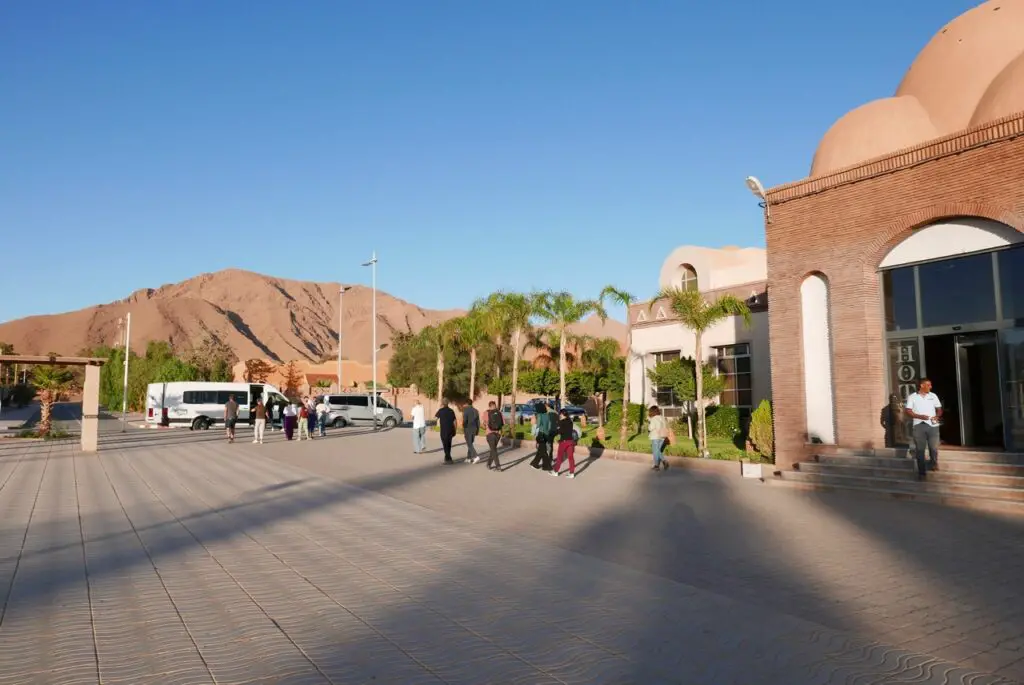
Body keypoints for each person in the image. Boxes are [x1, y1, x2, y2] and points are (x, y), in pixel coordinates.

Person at [905, 378, 943, 479]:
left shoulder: (933, 396)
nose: (930, 387)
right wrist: (919, 416)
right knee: (920, 450)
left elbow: (939, 409)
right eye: (928, 385)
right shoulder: (912, 397)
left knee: (933, 448)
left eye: (930, 385)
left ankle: (934, 463)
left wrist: (937, 416)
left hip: (933, 425)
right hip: (919, 425)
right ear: (922, 385)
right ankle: (922, 473)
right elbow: (908, 411)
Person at [552, 409, 577, 478]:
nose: (559, 415)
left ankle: (555, 471)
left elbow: (560, 431)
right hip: (571, 441)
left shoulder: (562, 422)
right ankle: (572, 473)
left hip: (564, 442)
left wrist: (553, 432)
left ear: (562, 414)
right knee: (571, 458)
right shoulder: (570, 421)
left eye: (560, 414)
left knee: (559, 457)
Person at [529, 403, 554, 472]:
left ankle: (536, 464)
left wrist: (534, 434)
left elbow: (538, 425)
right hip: (546, 434)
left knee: (542, 451)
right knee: (542, 450)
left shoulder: (539, 415)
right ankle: (543, 465)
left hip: (541, 434)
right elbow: (549, 425)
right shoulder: (547, 415)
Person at [435, 399, 457, 464]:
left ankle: (449, 458)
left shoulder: (440, 411)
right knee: (449, 444)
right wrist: (455, 429)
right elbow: (455, 421)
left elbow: (435, 418)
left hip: (443, 430)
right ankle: (447, 458)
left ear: (442, 403)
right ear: (448, 403)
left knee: (445, 444)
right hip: (450, 430)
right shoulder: (451, 411)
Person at [648, 405, 670, 471]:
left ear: (652, 411)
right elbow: (666, 426)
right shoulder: (662, 418)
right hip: (662, 437)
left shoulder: (654, 418)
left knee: (656, 451)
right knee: (658, 451)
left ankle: (659, 464)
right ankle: (658, 464)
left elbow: (650, 428)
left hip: (655, 437)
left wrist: (649, 424)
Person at [485, 400, 504, 471]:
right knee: (493, 449)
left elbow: (484, 424)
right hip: (498, 434)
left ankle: (498, 466)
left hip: (490, 434)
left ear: (489, 406)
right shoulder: (499, 413)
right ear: (495, 406)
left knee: (493, 450)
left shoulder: (486, 413)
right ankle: (489, 464)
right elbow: (503, 423)